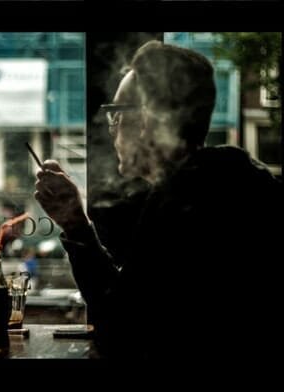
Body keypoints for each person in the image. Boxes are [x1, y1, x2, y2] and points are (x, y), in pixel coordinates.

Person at [34, 41, 282, 361]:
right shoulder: (231, 181)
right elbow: (134, 309)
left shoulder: (187, 200)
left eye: (118, 114)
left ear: (152, 119)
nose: (112, 128)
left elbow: (124, 330)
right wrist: (75, 222)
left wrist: (75, 225)